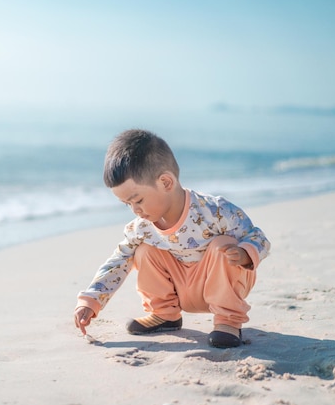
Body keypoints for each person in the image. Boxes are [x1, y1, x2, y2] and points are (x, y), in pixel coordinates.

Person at [73, 129, 270, 348]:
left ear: (166, 182)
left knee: (222, 245)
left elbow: (258, 237)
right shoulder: (142, 228)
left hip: (218, 284)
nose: (135, 210)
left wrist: (244, 253)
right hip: (179, 287)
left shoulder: (215, 211)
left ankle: (227, 322)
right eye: (127, 204)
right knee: (143, 250)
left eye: (137, 200)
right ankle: (165, 314)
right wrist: (91, 301)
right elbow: (117, 263)